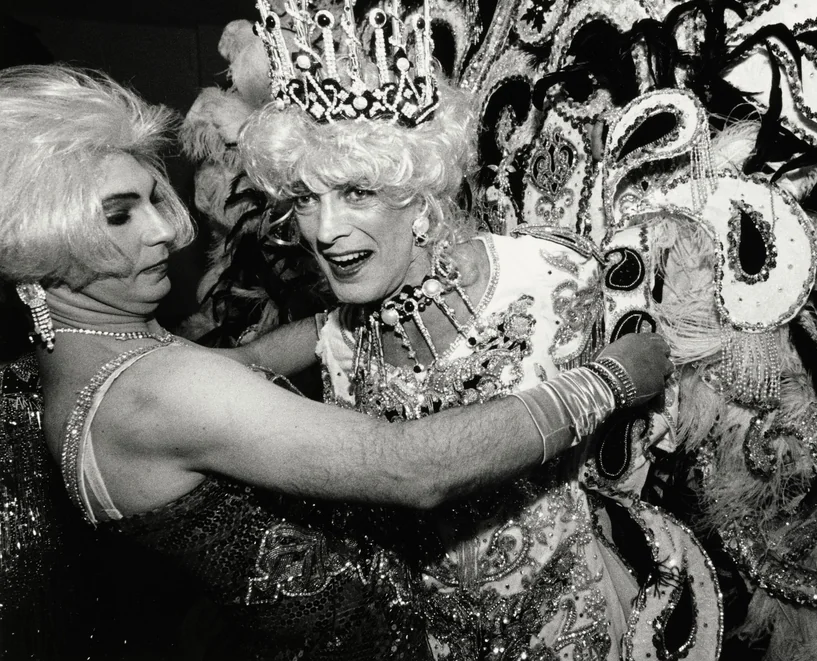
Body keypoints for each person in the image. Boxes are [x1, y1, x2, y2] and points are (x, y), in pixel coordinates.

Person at [0, 64, 672, 660]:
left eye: (154, 198)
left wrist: (335, 325)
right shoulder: (158, 391)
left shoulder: (69, 366)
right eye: (118, 216)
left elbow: (239, 363)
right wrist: (609, 379)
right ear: (38, 238)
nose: (164, 232)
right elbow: (411, 467)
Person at [233, 0, 718, 661]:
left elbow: (665, 383)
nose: (325, 230)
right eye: (306, 198)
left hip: (576, 631)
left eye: (357, 192)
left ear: (419, 196)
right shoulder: (338, 340)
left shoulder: (546, 277)